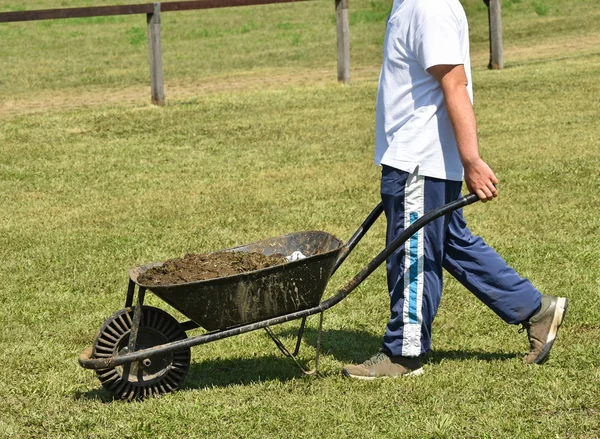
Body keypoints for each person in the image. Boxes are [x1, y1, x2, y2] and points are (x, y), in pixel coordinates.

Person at [342, 0, 568, 379]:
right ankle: (537, 310)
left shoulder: (429, 6)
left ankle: (403, 352)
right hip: (416, 157)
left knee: (411, 254)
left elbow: (455, 82)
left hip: (419, 160)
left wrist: (471, 160)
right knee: (451, 244)